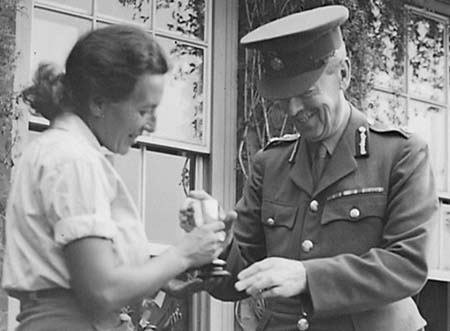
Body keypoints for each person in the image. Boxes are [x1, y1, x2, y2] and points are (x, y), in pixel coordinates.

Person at [182, 5, 438, 331]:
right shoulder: (270, 164)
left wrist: (307, 276)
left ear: (344, 73)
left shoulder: (400, 155)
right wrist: (216, 243)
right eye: (284, 97)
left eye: (306, 93)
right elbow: (238, 279)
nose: (294, 109)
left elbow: (407, 264)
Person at [2, 24, 226, 331]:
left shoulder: (61, 150)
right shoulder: (74, 160)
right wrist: (185, 253)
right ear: (98, 102)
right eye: (144, 110)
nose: (152, 125)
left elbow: (81, 278)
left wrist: (162, 279)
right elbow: (102, 291)